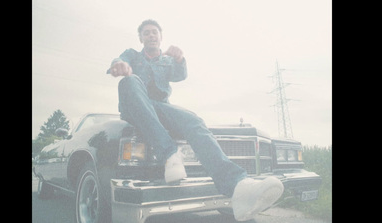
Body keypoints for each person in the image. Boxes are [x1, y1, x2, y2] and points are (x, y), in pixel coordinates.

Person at [107, 19, 284, 221]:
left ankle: (239, 186)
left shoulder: (166, 61)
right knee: (129, 81)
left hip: (161, 108)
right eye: (146, 33)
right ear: (141, 38)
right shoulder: (132, 55)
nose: (151, 35)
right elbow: (119, 60)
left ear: (160, 37)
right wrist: (118, 65)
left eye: (154, 32)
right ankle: (170, 155)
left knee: (194, 120)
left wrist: (181, 59)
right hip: (136, 106)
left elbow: (180, 75)